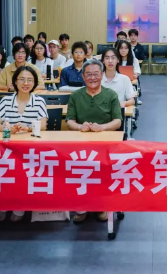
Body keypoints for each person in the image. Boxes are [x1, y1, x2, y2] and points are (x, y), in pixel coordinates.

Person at [66, 59, 122, 224]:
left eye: (96, 74)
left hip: (106, 145)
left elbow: (117, 121)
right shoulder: (76, 96)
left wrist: (103, 127)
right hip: (80, 144)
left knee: (102, 172)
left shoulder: (111, 95)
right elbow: (70, 121)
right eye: (88, 74)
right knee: (79, 171)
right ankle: (81, 207)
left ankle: (101, 206)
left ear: (102, 75)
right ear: (83, 76)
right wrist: (79, 127)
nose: (92, 78)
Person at [0, 65, 48, 222]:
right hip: (8, 148)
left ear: (34, 83)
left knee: (25, 171)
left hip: (30, 150)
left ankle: (20, 205)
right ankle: (3, 203)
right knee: (4, 170)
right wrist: (8, 129)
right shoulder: (6, 101)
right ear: (15, 82)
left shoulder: (39, 101)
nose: (26, 83)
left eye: (30, 80)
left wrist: (28, 128)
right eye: (22, 79)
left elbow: (43, 125)